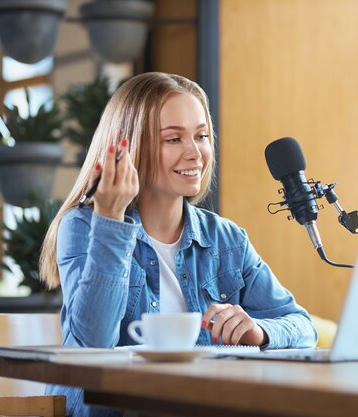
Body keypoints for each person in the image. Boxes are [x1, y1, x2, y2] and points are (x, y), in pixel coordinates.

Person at [39, 72, 317, 417]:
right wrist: (110, 219)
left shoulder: (225, 238)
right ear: (127, 148)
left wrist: (260, 331)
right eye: (173, 139)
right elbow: (93, 346)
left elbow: (303, 327)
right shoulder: (83, 226)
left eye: (201, 136)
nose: (195, 153)